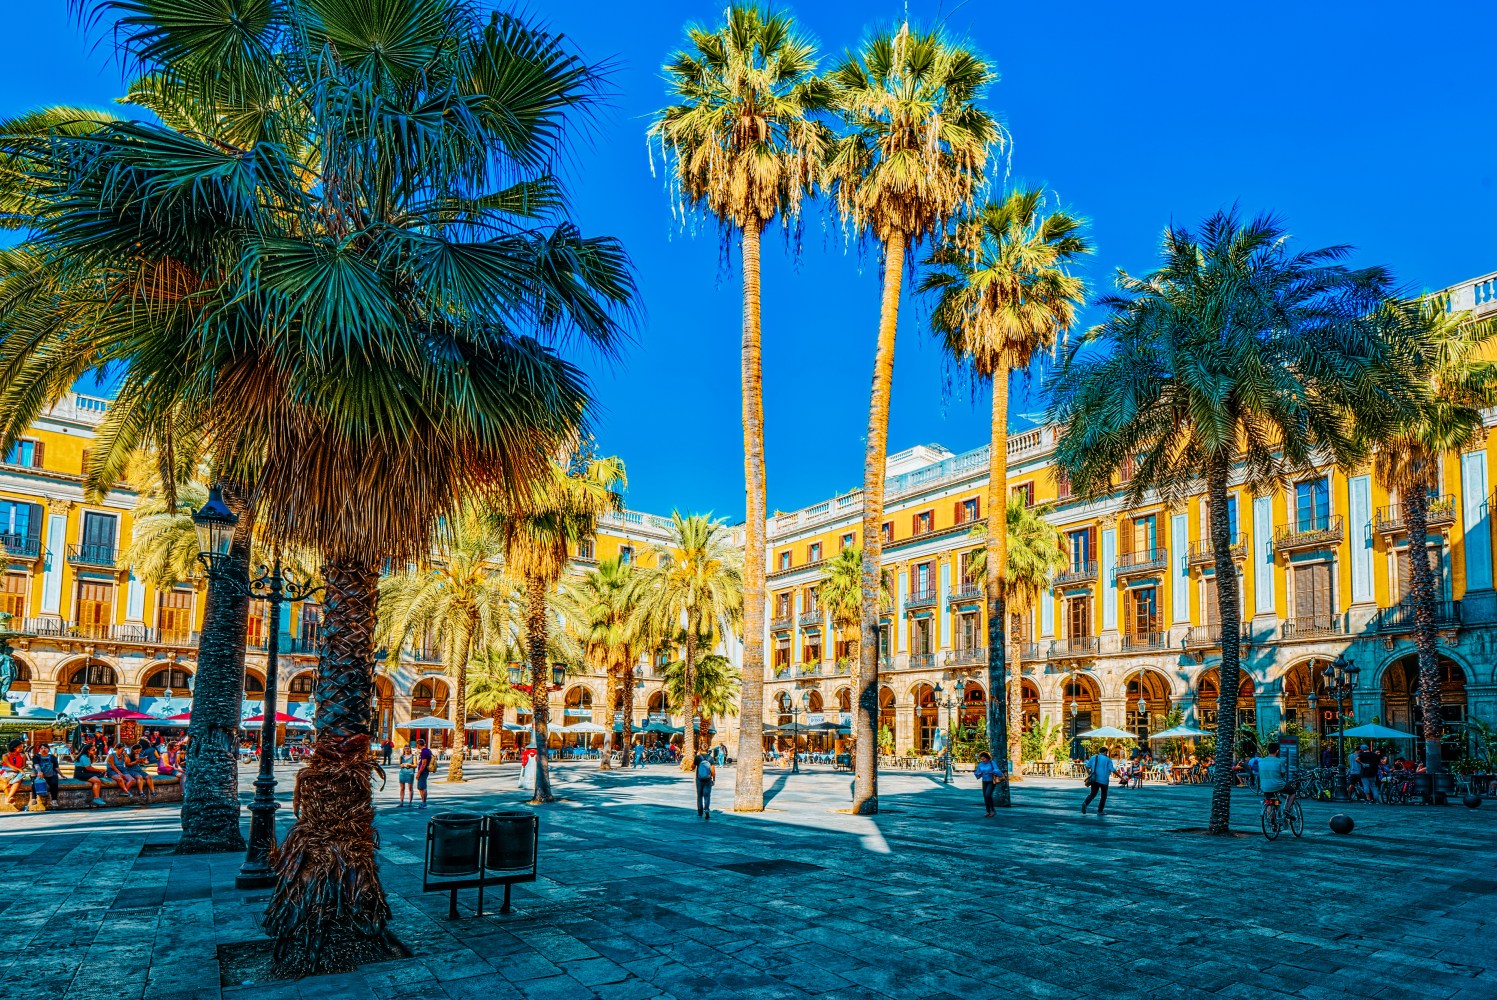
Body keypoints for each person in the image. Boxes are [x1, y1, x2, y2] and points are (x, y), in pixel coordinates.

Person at [1257, 742, 1295, 817]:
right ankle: (1287, 809)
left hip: (1265, 786)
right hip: (1278, 785)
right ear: (1277, 751)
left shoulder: (1261, 761)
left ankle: (1273, 824)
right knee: (1292, 792)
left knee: (1270, 802)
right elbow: (1283, 774)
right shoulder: (1280, 761)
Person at [1082, 745, 1116, 815]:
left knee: (1093, 794)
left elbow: (1087, 766)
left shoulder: (1093, 757)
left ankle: (1085, 803)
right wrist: (1121, 777)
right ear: (1106, 752)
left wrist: (1090, 774)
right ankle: (1100, 810)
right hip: (1104, 780)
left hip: (1095, 779)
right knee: (1103, 796)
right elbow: (1113, 770)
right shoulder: (1108, 760)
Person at [973, 750, 1002, 817]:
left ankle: (993, 810)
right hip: (984, 781)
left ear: (987, 758)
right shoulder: (980, 764)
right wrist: (978, 773)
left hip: (991, 781)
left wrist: (992, 772)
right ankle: (988, 811)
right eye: (981, 759)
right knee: (985, 796)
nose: (983, 760)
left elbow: (997, 771)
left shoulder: (992, 763)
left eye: (984, 758)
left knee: (988, 794)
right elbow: (977, 772)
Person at [694, 751, 715, 820]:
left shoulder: (697, 758)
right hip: (708, 780)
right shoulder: (710, 758)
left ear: (700, 749)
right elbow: (713, 770)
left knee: (699, 796)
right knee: (707, 795)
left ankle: (700, 813)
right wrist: (713, 779)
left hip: (699, 779)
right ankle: (706, 809)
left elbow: (692, 767)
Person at [415, 739, 433, 808]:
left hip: (423, 772)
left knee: (422, 787)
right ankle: (423, 802)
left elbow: (423, 764)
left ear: (418, 745)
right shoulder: (427, 750)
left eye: (417, 745)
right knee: (420, 787)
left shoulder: (424, 752)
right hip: (425, 771)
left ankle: (424, 802)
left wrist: (418, 773)